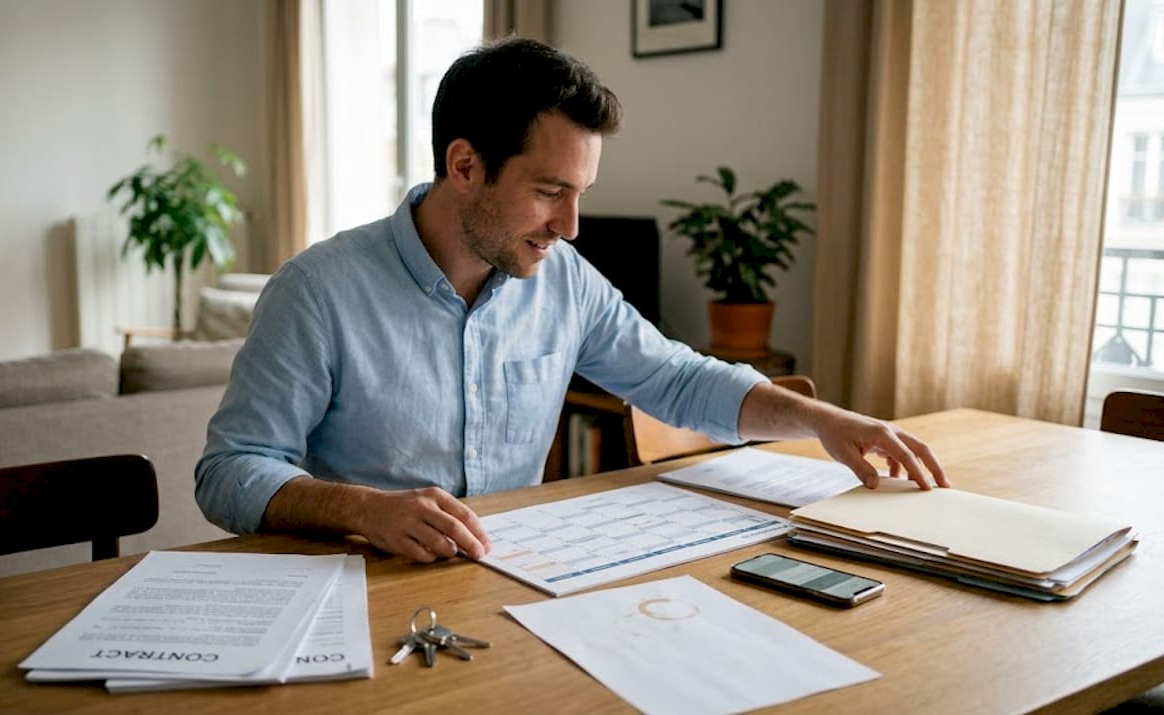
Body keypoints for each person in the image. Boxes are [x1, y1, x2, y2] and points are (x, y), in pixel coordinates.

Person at [196, 37, 948, 564]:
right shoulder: (317, 290)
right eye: (550, 192)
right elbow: (230, 470)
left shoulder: (563, 278)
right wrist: (364, 510)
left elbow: (677, 379)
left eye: (580, 194)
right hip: (356, 590)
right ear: (465, 165)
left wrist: (821, 417)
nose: (570, 225)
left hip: (512, 583)